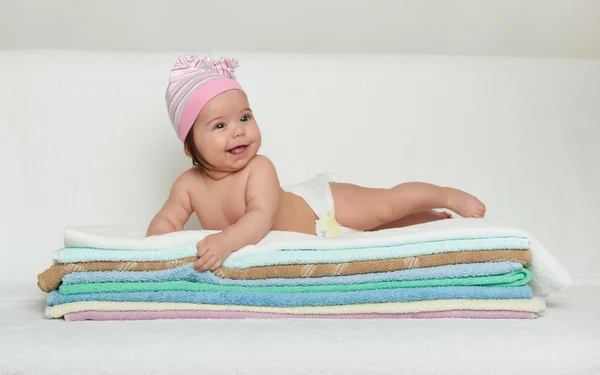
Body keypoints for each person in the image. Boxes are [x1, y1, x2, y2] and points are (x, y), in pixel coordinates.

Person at [147, 55, 486, 272]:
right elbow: (167, 220)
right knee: (379, 231)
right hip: (326, 237)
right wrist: (154, 252)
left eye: (245, 117)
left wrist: (226, 242)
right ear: (190, 147)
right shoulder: (188, 185)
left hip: (322, 208)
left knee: (386, 205)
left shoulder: (258, 168)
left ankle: (445, 196)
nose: (237, 131)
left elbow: (260, 218)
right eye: (220, 126)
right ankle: (425, 219)